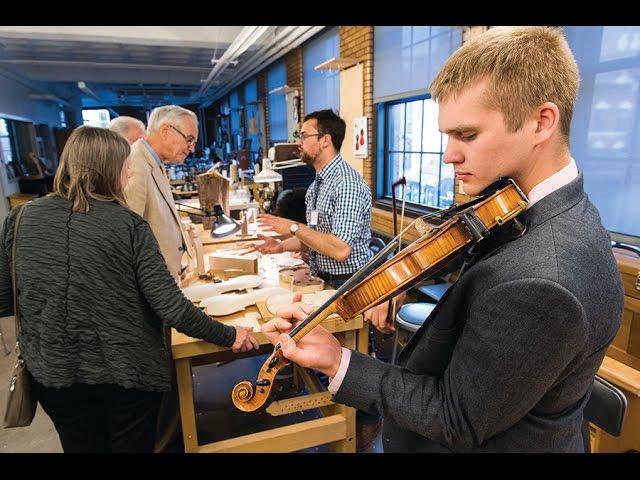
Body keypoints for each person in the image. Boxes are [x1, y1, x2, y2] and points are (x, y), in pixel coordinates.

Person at [260, 26, 625, 452]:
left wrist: (337, 359)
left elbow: (456, 418)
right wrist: (386, 291)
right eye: (447, 135)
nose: (449, 154)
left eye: (467, 135)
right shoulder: (529, 207)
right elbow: (480, 290)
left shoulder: (546, 279)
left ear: (541, 122)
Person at [0, 126, 257, 453]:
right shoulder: (127, 225)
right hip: (123, 374)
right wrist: (229, 334)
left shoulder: (20, 218)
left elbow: (6, 301)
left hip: (54, 373)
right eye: (125, 165)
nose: (129, 171)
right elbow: (170, 306)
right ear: (109, 168)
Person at [256, 109, 384, 451]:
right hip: (324, 281)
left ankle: (363, 441)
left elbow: (340, 249)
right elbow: (316, 237)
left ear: (324, 140)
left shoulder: (347, 183)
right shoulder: (318, 183)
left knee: (356, 368)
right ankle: (331, 424)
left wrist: (293, 227)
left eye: (304, 136)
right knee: (326, 363)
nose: (299, 142)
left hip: (350, 284)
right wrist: (280, 243)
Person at [123, 105, 200, 452]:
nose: (192, 148)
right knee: (162, 385)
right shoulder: (136, 164)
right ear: (166, 131)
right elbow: (125, 235)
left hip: (162, 288)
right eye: (189, 139)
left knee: (168, 380)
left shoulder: (154, 162)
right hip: (148, 298)